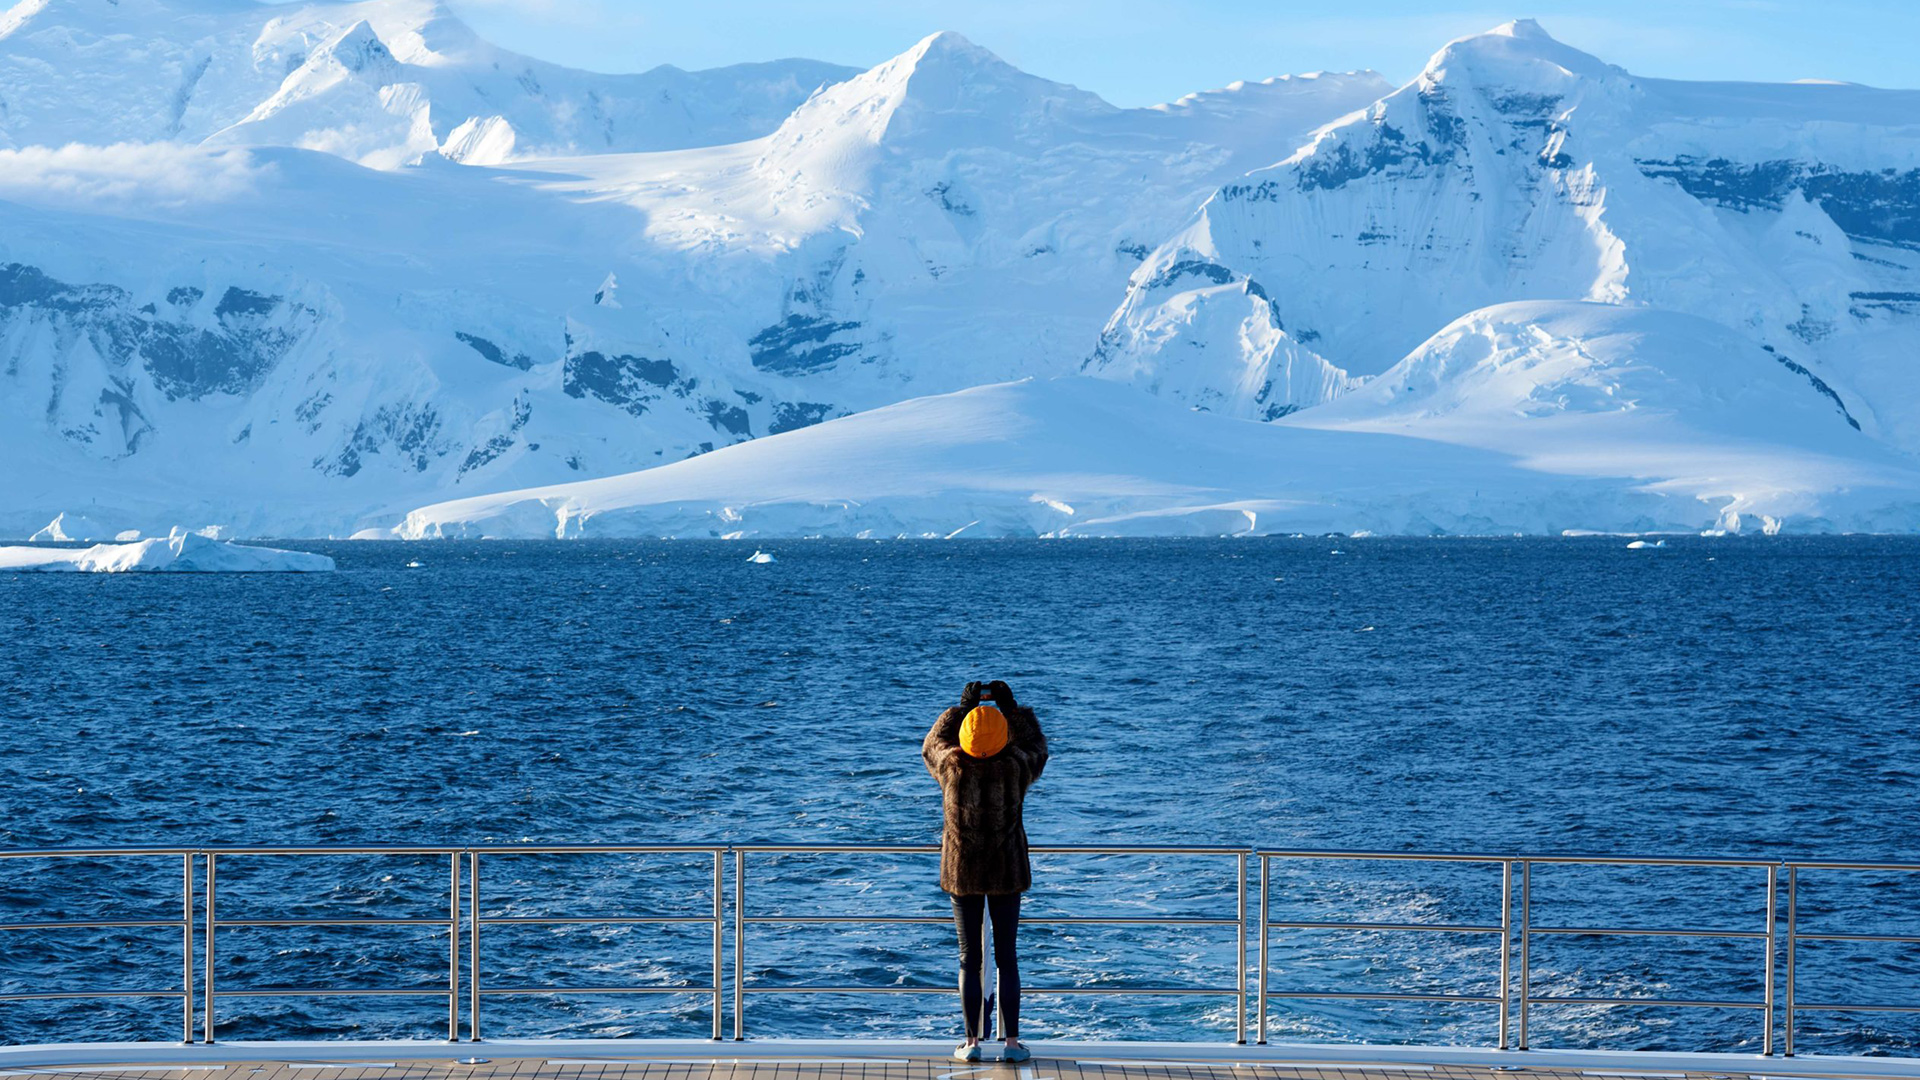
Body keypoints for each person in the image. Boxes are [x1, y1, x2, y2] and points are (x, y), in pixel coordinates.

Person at [922, 679, 1049, 1063]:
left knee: (968, 957)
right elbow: (1038, 748)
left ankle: (971, 1043)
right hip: (1006, 870)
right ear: (1003, 737)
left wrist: (962, 707)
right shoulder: (1015, 768)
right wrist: (1011, 707)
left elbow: (931, 744)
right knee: (1007, 957)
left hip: (963, 872)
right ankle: (1011, 1044)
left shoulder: (951, 765)